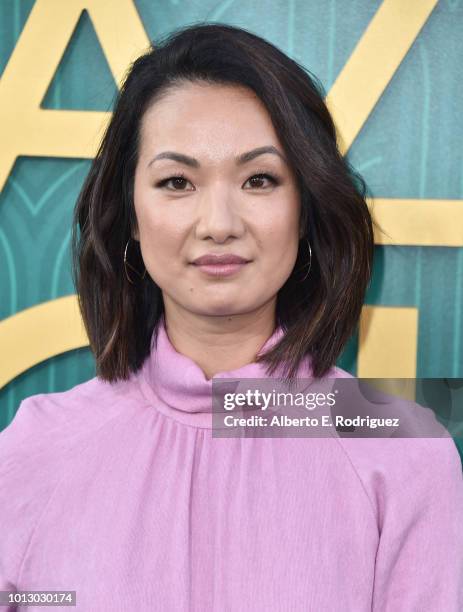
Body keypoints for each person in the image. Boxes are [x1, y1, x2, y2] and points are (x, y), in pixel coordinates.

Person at [1, 22, 462, 611]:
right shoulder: (34, 451)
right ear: (133, 215)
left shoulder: (405, 456)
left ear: (305, 208)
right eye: (177, 181)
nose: (218, 222)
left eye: (259, 179)